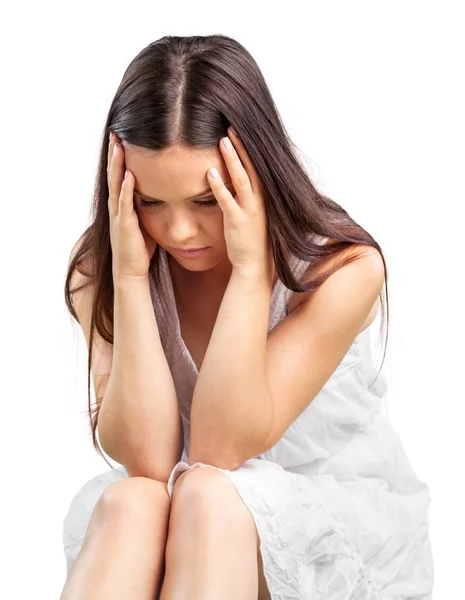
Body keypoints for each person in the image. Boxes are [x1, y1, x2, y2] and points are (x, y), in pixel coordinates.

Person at [60, 34, 434, 600]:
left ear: (259, 170)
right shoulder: (105, 267)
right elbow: (147, 460)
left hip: (325, 524)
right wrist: (132, 281)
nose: (179, 231)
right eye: (150, 202)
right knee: (131, 501)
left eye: (206, 201)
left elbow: (218, 447)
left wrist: (252, 270)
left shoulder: (343, 269)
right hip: (181, 518)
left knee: (209, 496)